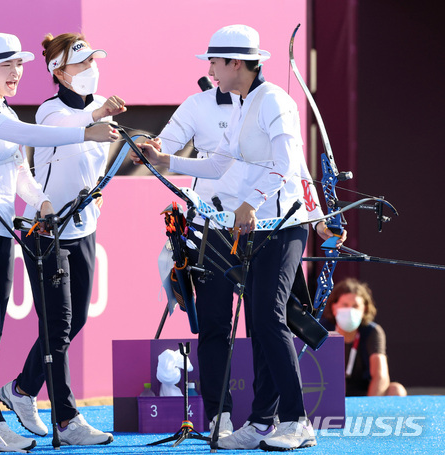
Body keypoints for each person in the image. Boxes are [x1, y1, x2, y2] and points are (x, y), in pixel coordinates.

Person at [133, 24, 346, 451]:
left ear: (235, 63)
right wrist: (165, 159)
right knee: (263, 322)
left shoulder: (274, 102)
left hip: (282, 227)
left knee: (269, 317)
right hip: (254, 232)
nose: (210, 69)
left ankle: (296, 421)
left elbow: (287, 163)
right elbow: (217, 166)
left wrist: (251, 202)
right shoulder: (244, 105)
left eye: (214, 62)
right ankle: (263, 422)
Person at [0, 32, 117, 452]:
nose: (16, 73)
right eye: (6, 66)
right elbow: (30, 136)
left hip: (0, 233)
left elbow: (20, 170)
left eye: (19, 65)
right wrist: (86, 132)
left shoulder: (3, 108)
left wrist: (42, 201)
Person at [0, 33, 125, 446]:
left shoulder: (100, 108)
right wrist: (95, 117)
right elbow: (68, 132)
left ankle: (20, 390)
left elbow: (91, 166)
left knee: (71, 322)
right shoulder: (50, 113)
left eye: (93, 63)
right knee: (59, 323)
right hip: (45, 231)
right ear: (58, 72)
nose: (91, 71)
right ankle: (66, 420)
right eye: (81, 65)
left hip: (83, 228)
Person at [324, 278, 407, 397]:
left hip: (366, 395)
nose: (350, 310)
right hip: (329, 393)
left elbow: (380, 375)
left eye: (355, 306)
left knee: (397, 390)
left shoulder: (372, 332)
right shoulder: (321, 329)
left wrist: (368, 410)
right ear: (334, 307)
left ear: (364, 309)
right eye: (345, 305)